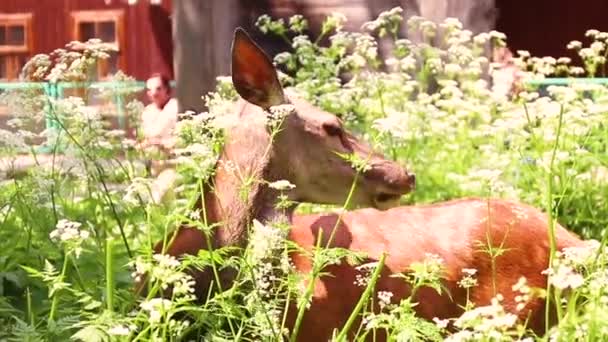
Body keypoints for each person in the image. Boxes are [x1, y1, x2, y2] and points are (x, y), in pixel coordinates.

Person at [139, 73, 179, 204]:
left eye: (158, 89)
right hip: (153, 167)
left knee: (159, 201)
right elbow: (144, 138)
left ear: (167, 90)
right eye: (150, 90)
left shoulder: (176, 108)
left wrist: (160, 143)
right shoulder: (148, 112)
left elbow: (182, 139)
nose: (154, 93)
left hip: (174, 166)